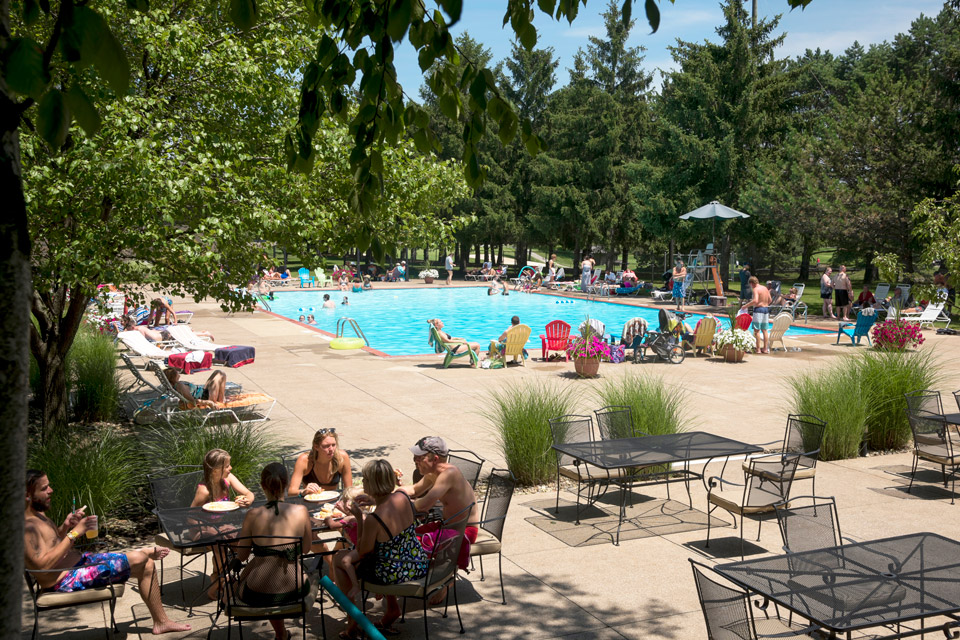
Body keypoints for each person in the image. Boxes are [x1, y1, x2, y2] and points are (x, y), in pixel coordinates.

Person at [23, 470, 191, 635]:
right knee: (141, 559)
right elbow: (43, 566)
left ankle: (161, 622)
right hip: (66, 579)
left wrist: (66, 526)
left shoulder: (39, 516)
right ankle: (144, 553)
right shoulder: (25, 528)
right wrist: (74, 533)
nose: (50, 490)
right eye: (44, 488)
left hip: (80, 563)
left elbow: (52, 544)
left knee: (146, 564)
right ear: (27, 495)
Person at [333, 460, 427, 638]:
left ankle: (352, 622)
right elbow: (390, 508)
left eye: (365, 479)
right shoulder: (402, 497)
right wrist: (374, 500)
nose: (363, 482)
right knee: (384, 550)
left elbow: (362, 551)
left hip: (394, 572)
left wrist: (359, 518)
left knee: (340, 559)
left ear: (373, 483)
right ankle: (391, 608)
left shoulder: (374, 519)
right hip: (416, 562)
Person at [235, 463, 314, 640]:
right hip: (295, 588)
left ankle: (281, 633)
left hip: (258, 592)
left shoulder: (252, 515)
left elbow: (242, 556)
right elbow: (307, 549)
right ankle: (281, 634)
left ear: (262, 486)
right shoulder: (301, 511)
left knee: (233, 585)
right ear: (286, 484)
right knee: (286, 579)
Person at [399, 437, 479, 605]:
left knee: (414, 542)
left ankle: (444, 578)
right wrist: (388, 494)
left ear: (434, 459)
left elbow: (424, 504)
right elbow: (413, 490)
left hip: (463, 531)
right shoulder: (432, 474)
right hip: (448, 525)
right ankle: (435, 575)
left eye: (420, 457)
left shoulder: (449, 474)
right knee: (405, 536)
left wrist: (397, 503)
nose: (415, 460)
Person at [190, 449, 255, 597]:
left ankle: (224, 577)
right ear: (215, 470)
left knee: (241, 538)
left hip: (219, 526)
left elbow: (249, 493)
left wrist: (247, 500)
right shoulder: (204, 491)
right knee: (218, 541)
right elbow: (190, 517)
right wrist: (203, 529)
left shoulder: (228, 478)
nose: (230, 468)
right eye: (226, 466)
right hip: (199, 528)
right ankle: (218, 580)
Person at [287, 428, 353, 497]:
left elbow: (349, 490)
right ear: (316, 447)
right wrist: (303, 491)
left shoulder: (342, 458)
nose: (331, 449)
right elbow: (291, 492)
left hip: (332, 502)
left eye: (333, 445)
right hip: (311, 503)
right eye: (326, 446)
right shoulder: (304, 460)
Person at [162, 368, 226, 408]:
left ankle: (221, 398)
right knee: (221, 374)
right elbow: (193, 401)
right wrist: (209, 402)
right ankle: (221, 400)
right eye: (176, 372)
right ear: (173, 376)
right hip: (207, 397)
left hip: (205, 392)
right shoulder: (179, 385)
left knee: (218, 372)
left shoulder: (177, 384)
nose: (177, 372)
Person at [741, 276, 773, 353]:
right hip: (766, 310)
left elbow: (755, 300)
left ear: (751, 283)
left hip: (758, 310)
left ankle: (758, 349)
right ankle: (765, 349)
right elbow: (770, 300)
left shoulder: (756, 289)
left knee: (757, 331)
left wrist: (745, 306)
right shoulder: (765, 288)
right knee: (765, 330)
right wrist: (764, 304)